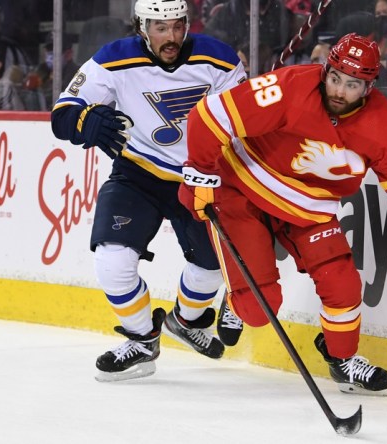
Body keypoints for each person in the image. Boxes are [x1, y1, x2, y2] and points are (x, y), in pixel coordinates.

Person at [178, 33, 387, 396]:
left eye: (352, 85)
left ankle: (342, 361)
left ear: (369, 87)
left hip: (308, 210)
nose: (339, 90)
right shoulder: (289, 88)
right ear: (325, 70)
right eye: (334, 77)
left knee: (342, 283)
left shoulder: (379, 121)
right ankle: (236, 296)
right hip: (241, 190)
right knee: (257, 310)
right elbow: (209, 117)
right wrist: (201, 174)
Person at [50, 0, 247, 382]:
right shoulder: (113, 59)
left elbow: (244, 123)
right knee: (112, 262)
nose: (170, 37)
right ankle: (141, 342)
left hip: (202, 177)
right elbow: (62, 113)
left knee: (210, 269)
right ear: (141, 27)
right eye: (160, 27)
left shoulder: (219, 59)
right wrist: (84, 121)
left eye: (176, 26)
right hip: (138, 174)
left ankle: (184, 321)